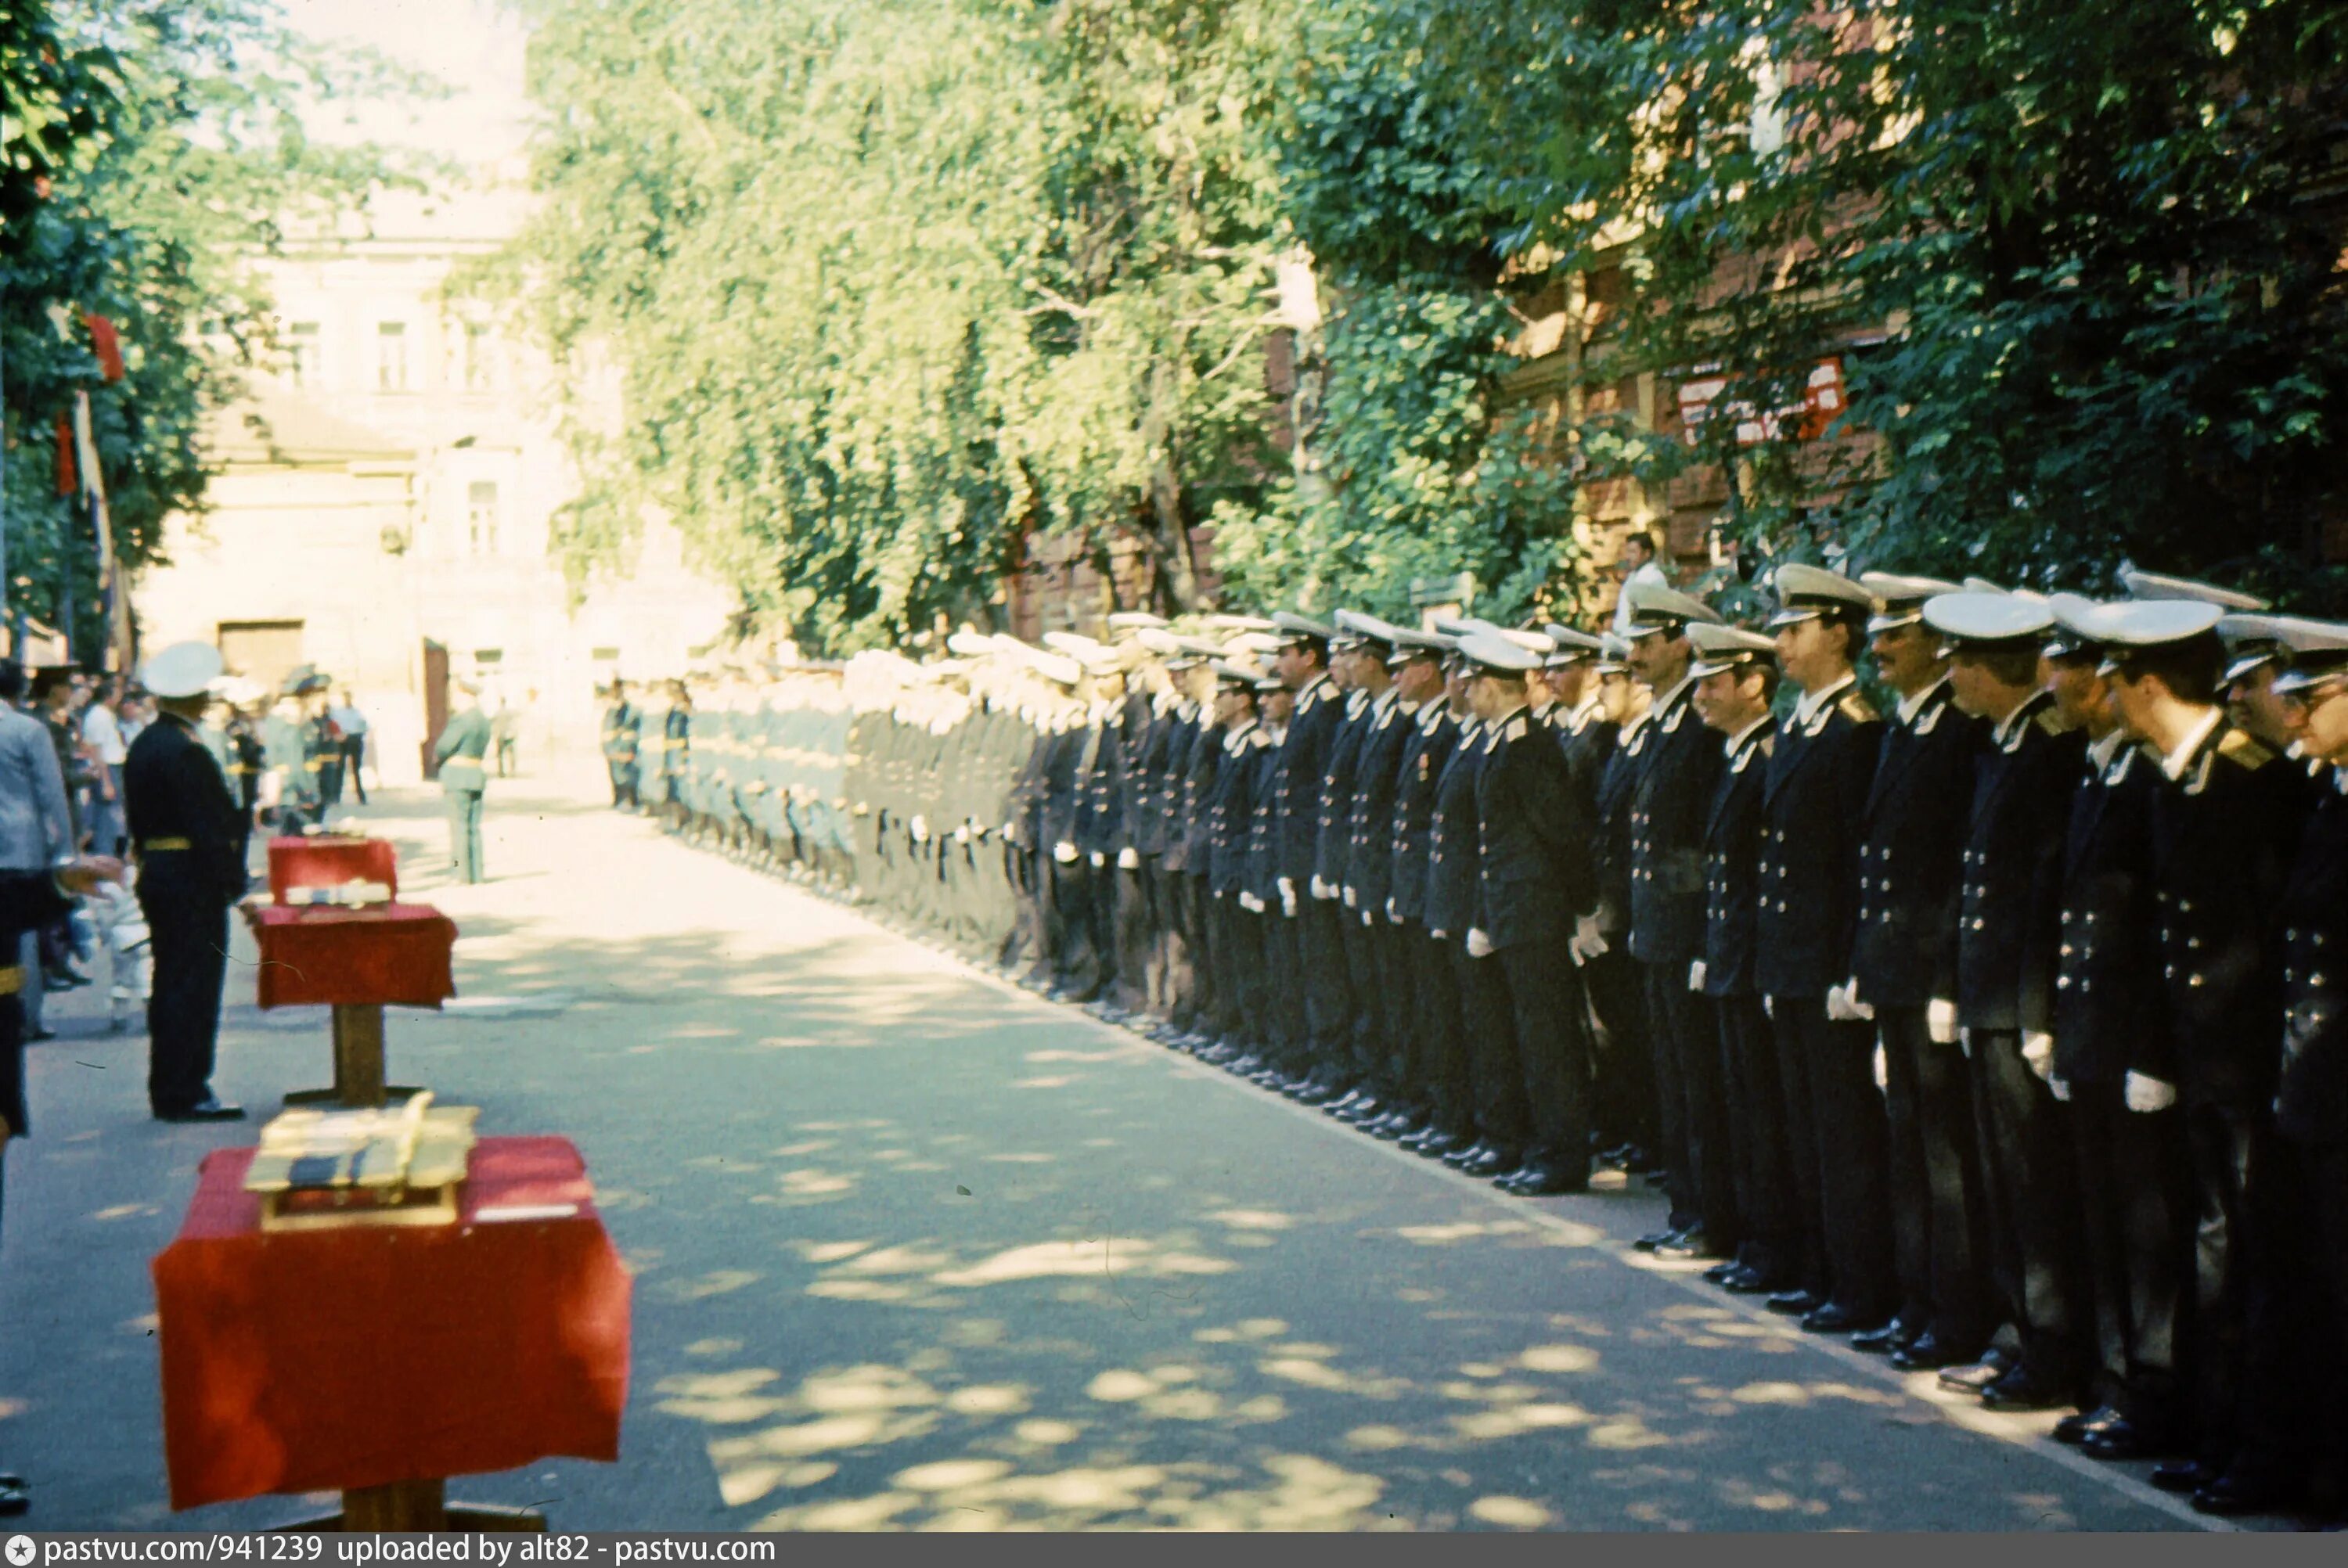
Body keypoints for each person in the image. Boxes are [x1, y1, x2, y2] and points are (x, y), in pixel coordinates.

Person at [123, 642, 251, 1123]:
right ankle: (188, 1088)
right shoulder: (187, 751)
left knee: (172, 980)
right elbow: (210, 827)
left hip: (159, 871)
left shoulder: (145, 744)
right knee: (194, 984)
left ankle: (172, 1086)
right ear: (195, 700)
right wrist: (233, 882)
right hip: (191, 879)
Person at [0, 661, 74, 1047]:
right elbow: (52, 793)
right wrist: (65, 853)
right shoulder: (28, 730)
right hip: (19, 846)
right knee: (22, 936)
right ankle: (25, 1017)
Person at [434, 680, 494, 884]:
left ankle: (460, 874)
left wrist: (437, 759)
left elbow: (444, 747)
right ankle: (477, 874)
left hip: (457, 776)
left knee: (458, 826)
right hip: (476, 774)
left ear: (465, 696)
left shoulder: (461, 720)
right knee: (473, 828)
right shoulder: (484, 720)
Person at [1609, 530, 1672, 638]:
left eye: (1633, 552)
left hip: (1641, 641)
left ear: (1647, 554)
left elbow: (1653, 621)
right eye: (1627, 552)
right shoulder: (1633, 576)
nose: (1628, 557)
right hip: (1624, 638)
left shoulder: (1654, 578)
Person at [603, 681, 643, 810]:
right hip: (613, 745)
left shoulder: (629, 709)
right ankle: (619, 799)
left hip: (626, 745)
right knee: (616, 774)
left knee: (628, 774)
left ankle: (632, 800)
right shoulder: (611, 710)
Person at [329, 689, 369, 804]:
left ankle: (361, 796)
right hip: (343, 740)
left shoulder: (357, 712)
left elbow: (365, 726)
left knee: (356, 769)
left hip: (355, 738)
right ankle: (336, 796)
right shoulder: (338, 712)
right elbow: (334, 726)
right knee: (340, 769)